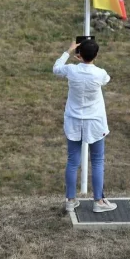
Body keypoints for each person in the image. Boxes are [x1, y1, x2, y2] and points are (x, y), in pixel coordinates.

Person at [53, 38, 117, 213]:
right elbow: (107, 79)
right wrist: (86, 61)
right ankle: (98, 201)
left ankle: (70, 200)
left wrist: (68, 51)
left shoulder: (71, 70)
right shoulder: (100, 73)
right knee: (97, 161)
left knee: (73, 162)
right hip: (95, 122)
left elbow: (56, 68)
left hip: (74, 121)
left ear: (78, 54)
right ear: (96, 55)